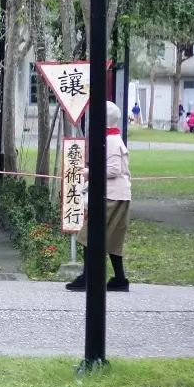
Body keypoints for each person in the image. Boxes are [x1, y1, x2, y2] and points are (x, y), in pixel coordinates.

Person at [66, 101, 132, 292]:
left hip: (110, 195)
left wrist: (89, 172)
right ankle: (120, 279)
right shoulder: (114, 139)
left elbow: (113, 169)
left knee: (89, 235)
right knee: (113, 240)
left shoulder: (110, 141)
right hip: (119, 194)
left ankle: (88, 277)